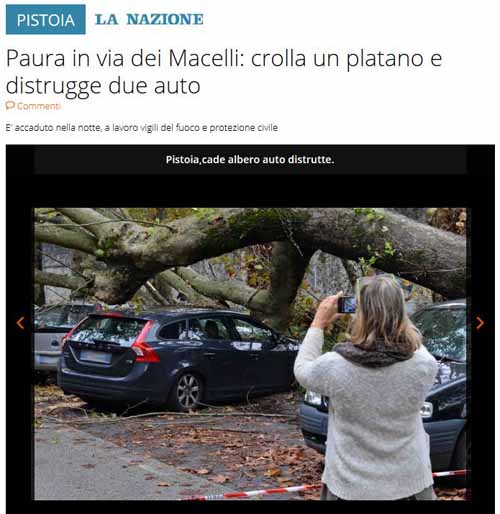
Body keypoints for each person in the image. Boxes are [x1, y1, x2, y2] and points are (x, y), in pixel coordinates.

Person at [294, 275, 438, 500]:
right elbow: (415, 345)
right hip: (409, 484)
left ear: (360, 314)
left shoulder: (335, 366)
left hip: (349, 487)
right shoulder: (424, 365)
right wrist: (394, 314)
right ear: (401, 313)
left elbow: (302, 369)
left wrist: (318, 323)